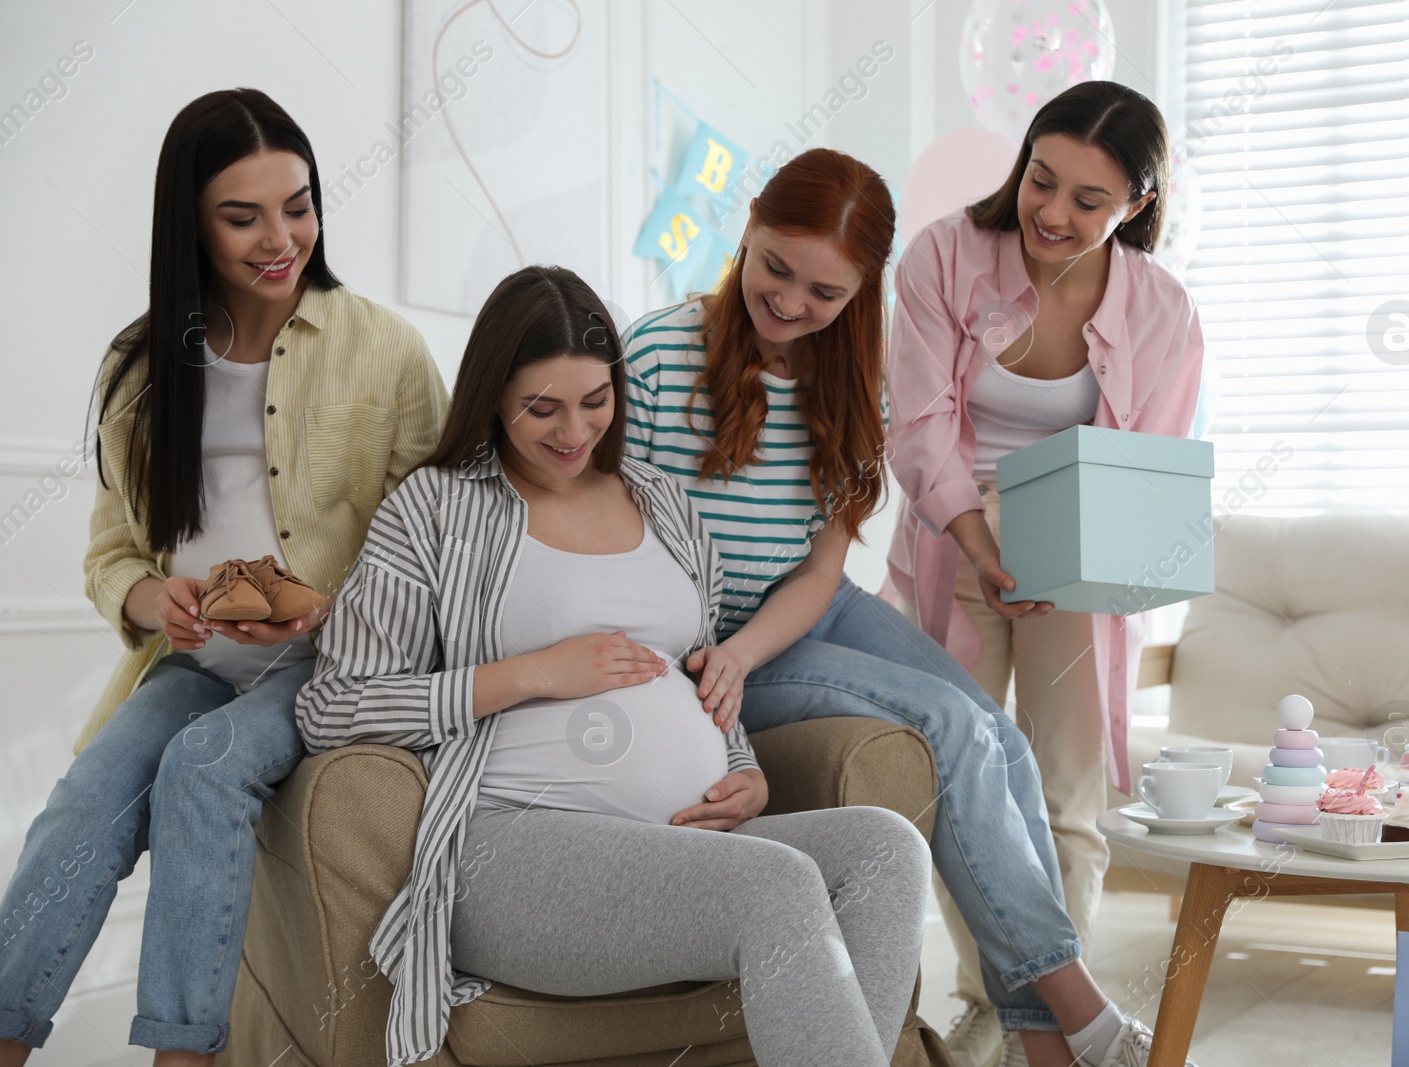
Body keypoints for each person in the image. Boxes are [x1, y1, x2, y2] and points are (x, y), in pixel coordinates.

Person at [623, 146, 1191, 1067]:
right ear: (751, 223)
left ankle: (1044, 1040)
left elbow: (820, 570)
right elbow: (623, 559)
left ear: (860, 291)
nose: (791, 305)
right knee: (949, 723)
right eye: (775, 268)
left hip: (803, 608)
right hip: (704, 635)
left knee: (999, 737)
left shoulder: (855, 381)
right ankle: (1081, 1023)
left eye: (825, 292)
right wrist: (728, 659)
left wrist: (761, 640)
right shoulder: (655, 355)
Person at [295, 265, 932, 1067]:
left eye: (596, 402)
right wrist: (530, 673)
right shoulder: (434, 508)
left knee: (886, 848)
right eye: (543, 407)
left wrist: (745, 770)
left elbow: (697, 673)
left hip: (685, 844)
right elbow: (332, 707)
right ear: (492, 394)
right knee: (774, 885)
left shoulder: (663, 502)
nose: (573, 430)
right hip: (515, 851)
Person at [0, 89, 448, 1067]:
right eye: (241, 216)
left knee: (205, 769)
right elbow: (111, 547)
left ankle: (182, 1057)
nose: (280, 237)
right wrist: (144, 596)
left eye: (297, 204)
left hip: (326, 662)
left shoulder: (388, 350)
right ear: (189, 224)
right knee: (82, 804)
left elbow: (438, 545)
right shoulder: (141, 362)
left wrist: (322, 606)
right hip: (191, 657)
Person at [885, 80, 1205, 1063]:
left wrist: (1074, 559)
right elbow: (920, 422)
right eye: (1042, 181)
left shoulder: (1160, 312)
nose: (1053, 215)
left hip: (1075, 556)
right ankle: (993, 996)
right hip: (954, 543)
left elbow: (1148, 470)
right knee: (951, 779)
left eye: (1088, 201)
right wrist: (980, 538)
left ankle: (1052, 1012)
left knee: (1067, 795)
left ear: (1136, 207)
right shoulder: (942, 255)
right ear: (1021, 163)